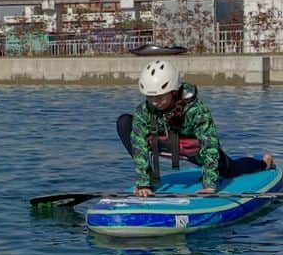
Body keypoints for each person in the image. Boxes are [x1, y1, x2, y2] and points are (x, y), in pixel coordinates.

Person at [117, 59, 273, 195]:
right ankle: (149, 177)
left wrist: (209, 184)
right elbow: (139, 146)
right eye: (150, 97)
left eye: (160, 97)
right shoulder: (143, 111)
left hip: (194, 150)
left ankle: (264, 163)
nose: (155, 102)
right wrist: (143, 183)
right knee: (124, 122)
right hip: (163, 144)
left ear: (174, 92)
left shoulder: (195, 109)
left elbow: (210, 144)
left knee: (229, 169)